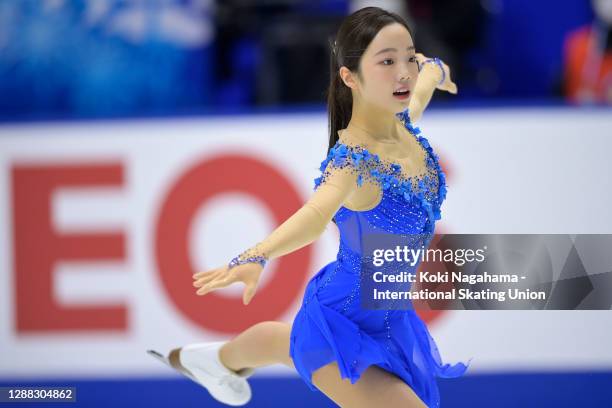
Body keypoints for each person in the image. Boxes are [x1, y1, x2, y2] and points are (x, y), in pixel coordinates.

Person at [157, 6, 470, 408]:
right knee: (305, 344)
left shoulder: (404, 123)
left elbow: (426, 76)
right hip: (342, 317)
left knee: (284, 342)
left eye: (408, 56)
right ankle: (219, 359)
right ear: (349, 77)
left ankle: (215, 360)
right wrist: (257, 255)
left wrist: (435, 71)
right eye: (387, 62)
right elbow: (313, 217)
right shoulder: (353, 160)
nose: (404, 72)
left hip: (388, 319)